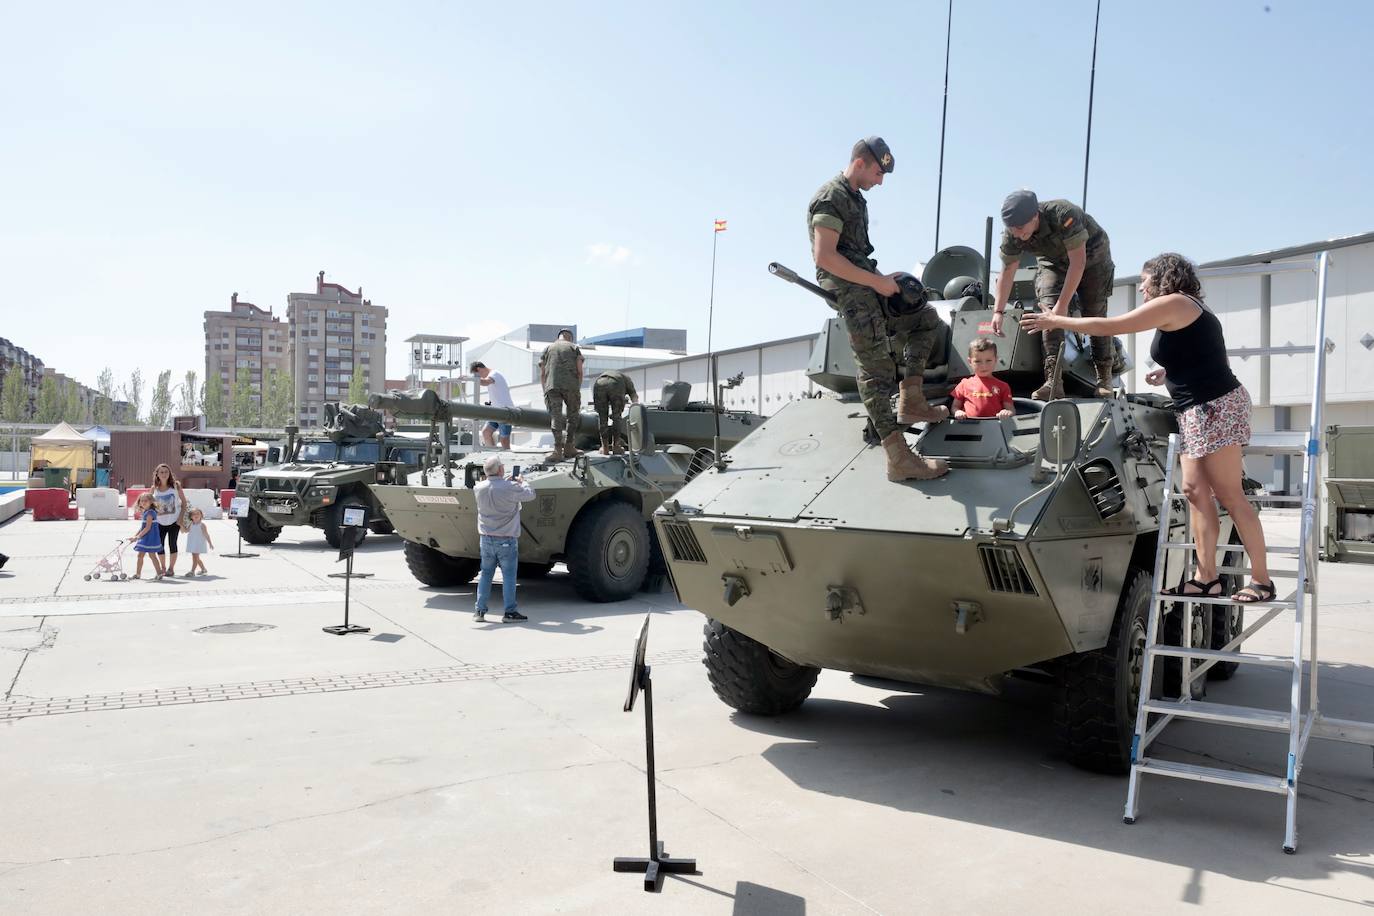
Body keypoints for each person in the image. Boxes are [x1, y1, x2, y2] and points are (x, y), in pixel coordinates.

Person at [1021, 252, 1274, 604]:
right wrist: (1168, 374)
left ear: (1162, 278)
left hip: (1216, 407)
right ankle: (1206, 578)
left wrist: (1058, 320)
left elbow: (1113, 326)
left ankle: (1262, 580)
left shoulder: (1175, 302)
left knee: (1229, 494)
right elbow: (1203, 355)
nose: (1141, 286)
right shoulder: (1183, 310)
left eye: (1144, 280)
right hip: (1193, 410)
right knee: (1194, 491)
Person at [808, 136, 949, 482]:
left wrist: (884, 279)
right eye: (877, 172)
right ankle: (898, 457)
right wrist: (875, 283)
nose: (880, 181)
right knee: (876, 370)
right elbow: (825, 257)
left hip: (866, 282)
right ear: (860, 162)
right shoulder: (831, 196)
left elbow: (853, 251)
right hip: (848, 290)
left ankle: (912, 398)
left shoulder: (855, 198)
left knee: (926, 318)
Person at [991, 189, 1117, 401]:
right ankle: (1053, 382)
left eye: (1020, 227)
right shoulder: (1013, 233)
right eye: (1012, 228)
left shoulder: (1064, 214)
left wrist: (1062, 306)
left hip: (1093, 259)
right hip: (1053, 262)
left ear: (1035, 216)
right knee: (1046, 313)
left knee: (1093, 313)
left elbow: (1078, 263)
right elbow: (1007, 271)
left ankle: (1103, 378)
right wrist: (998, 311)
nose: (1016, 233)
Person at [473, 454, 536, 623]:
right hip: (506, 540)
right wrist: (522, 481)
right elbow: (530, 495)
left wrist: (504, 481)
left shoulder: (478, 488)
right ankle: (509, 612)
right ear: (500, 469)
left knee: (486, 574)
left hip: (485, 539)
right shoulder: (511, 487)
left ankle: (479, 611)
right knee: (509, 576)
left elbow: (494, 488)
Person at [539, 329, 584, 462]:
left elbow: (542, 373)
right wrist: (577, 387)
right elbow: (580, 370)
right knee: (572, 416)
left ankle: (557, 451)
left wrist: (545, 389)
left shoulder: (547, 349)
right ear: (570, 338)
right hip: (571, 386)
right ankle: (570, 447)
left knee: (556, 417)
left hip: (552, 386)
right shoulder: (574, 347)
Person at [952, 339, 1014, 419]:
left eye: (988, 360)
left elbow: (1011, 410)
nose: (983, 366)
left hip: (994, 426)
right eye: (977, 361)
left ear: (995, 360)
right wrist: (957, 412)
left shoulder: (1003, 386)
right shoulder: (964, 384)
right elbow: (954, 407)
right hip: (969, 426)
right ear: (970, 361)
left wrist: (1007, 412)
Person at [149, 463, 187, 577]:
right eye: (161, 472)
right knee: (159, 546)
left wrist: (180, 519)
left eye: (166, 472)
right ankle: (163, 567)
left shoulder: (176, 486)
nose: (164, 474)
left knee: (172, 544)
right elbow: (149, 505)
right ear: (157, 474)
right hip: (159, 522)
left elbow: (184, 503)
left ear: (169, 473)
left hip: (174, 521)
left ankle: (171, 568)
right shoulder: (153, 489)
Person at [592, 369, 639, 454]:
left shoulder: (618, 376)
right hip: (616, 383)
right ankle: (616, 446)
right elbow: (634, 397)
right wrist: (638, 410)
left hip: (599, 382)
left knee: (602, 418)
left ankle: (605, 448)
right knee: (616, 417)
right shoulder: (627, 379)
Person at [470, 361, 514, 449]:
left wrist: (470, 378)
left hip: (505, 411)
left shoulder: (494, 374)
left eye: (477, 375)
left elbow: (485, 382)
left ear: (479, 369)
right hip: (496, 411)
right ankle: (492, 453)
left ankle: (506, 456)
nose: (480, 377)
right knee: (486, 432)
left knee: (504, 439)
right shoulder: (492, 375)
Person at [131, 492, 165, 579]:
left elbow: (148, 528)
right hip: (146, 537)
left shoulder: (150, 513)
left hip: (150, 538)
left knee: (152, 555)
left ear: (151, 502)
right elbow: (142, 527)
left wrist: (138, 537)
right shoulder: (146, 512)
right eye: (141, 501)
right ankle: (138, 574)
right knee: (141, 555)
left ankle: (159, 573)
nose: (143, 502)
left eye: (145, 501)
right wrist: (135, 536)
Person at [185, 508, 214, 576]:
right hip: (192, 543)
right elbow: (186, 531)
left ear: (201, 515)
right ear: (191, 517)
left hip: (198, 543)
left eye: (198, 513)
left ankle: (192, 571)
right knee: (196, 558)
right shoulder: (191, 524)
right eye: (194, 514)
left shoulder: (202, 525)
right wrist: (180, 525)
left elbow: (206, 534)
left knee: (195, 557)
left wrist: (210, 543)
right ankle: (203, 569)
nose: (196, 515)